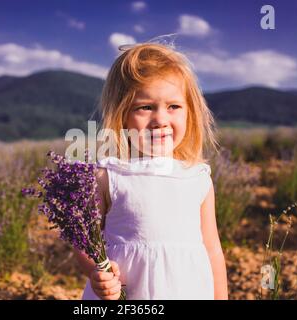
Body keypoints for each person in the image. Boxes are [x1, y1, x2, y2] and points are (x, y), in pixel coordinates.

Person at [74, 41, 228, 300]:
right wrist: (96, 273)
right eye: (145, 107)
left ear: (190, 113)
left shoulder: (197, 177)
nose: (160, 120)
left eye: (174, 107)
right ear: (123, 115)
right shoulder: (109, 175)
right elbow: (83, 243)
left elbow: (212, 249)